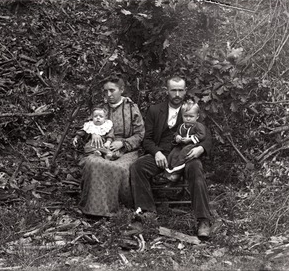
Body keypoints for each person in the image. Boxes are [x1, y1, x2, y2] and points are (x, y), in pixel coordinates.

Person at [130, 76, 213, 237]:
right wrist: (156, 152)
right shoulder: (155, 110)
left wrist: (201, 149)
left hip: (185, 154)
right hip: (162, 154)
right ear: (167, 91)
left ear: (185, 91)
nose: (176, 94)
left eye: (180, 90)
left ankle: (203, 220)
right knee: (138, 167)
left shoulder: (191, 109)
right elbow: (147, 139)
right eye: (173, 90)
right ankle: (147, 213)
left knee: (196, 167)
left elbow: (206, 134)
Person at [78, 76, 145, 217]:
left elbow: (140, 134)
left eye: (112, 90)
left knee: (119, 168)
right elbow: (89, 126)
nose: (109, 95)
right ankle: (93, 209)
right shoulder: (101, 109)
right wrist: (94, 134)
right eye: (106, 91)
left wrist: (123, 143)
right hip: (101, 148)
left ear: (121, 90)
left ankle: (116, 209)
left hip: (127, 150)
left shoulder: (131, 108)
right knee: (93, 162)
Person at [163, 100, 206, 182]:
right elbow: (176, 133)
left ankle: (177, 172)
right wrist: (177, 137)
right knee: (173, 153)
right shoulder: (181, 126)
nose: (188, 118)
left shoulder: (198, 126)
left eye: (191, 116)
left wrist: (190, 139)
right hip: (181, 145)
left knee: (183, 154)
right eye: (185, 116)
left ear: (197, 116)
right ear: (182, 116)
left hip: (192, 145)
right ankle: (169, 171)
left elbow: (202, 135)